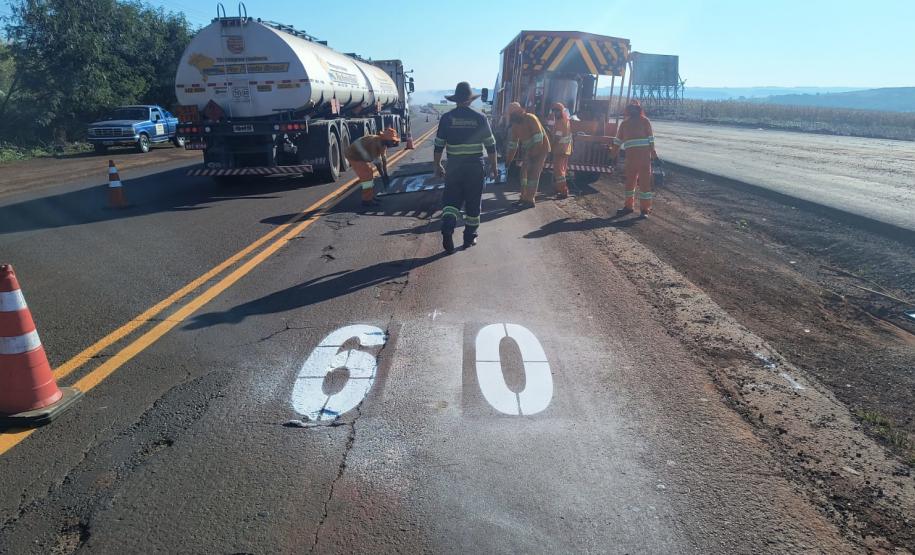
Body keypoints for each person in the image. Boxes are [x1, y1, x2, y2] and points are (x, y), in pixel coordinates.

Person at [433, 82, 499, 254]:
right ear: (470, 100)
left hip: (454, 166)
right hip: (475, 167)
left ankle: (448, 226)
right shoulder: (480, 118)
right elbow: (491, 146)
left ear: (456, 100)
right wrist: (494, 166)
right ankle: (469, 238)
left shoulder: (447, 118)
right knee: (473, 203)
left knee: (451, 201)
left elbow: (439, 145)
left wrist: (437, 164)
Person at [611, 100, 658, 217]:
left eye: (635, 108)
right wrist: (612, 156)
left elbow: (651, 140)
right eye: (631, 108)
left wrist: (655, 156)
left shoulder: (645, 121)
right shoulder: (624, 124)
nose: (633, 110)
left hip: (643, 161)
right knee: (629, 184)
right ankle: (628, 207)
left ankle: (644, 210)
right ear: (628, 110)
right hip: (631, 160)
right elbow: (617, 141)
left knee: (645, 185)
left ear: (638, 110)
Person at [504, 102, 551, 208]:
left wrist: (533, 156)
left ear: (520, 112)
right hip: (529, 150)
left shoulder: (531, 118)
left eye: (514, 115)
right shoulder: (515, 126)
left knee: (533, 174)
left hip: (541, 149)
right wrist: (508, 160)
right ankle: (523, 197)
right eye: (511, 115)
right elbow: (513, 146)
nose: (512, 117)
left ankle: (530, 201)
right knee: (523, 173)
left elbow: (538, 139)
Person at [344, 127, 399, 207]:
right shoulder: (375, 142)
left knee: (370, 174)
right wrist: (383, 176)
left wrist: (386, 174)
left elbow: (383, 159)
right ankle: (366, 200)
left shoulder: (383, 144)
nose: (393, 143)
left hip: (362, 156)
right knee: (367, 177)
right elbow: (377, 162)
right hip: (354, 155)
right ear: (386, 139)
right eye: (392, 140)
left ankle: (371, 197)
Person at [550, 102, 573, 199]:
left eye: (556, 111)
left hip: (559, 150)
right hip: (565, 149)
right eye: (554, 111)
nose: (555, 113)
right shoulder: (566, 120)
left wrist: (550, 147)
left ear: (560, 112)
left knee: (559, 172)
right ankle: (559, 188)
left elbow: (557, 137)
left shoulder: (560, 122)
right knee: (561, 171)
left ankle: (563, 191)